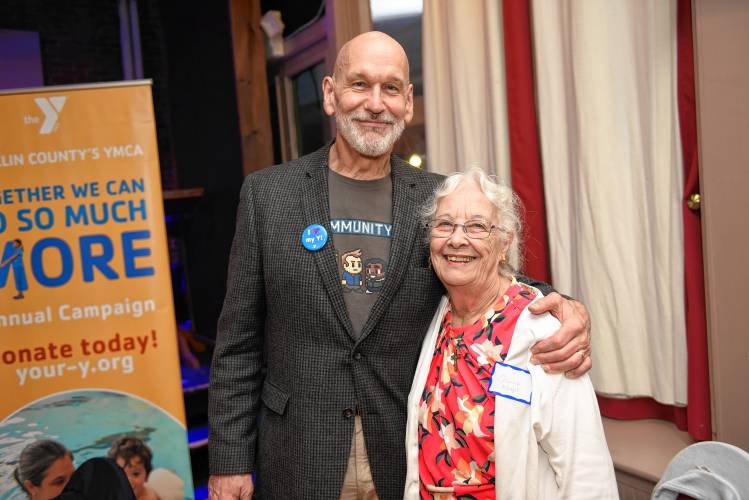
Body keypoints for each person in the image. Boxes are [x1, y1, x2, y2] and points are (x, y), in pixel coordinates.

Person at [208, 31, 592, 500]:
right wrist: (229, 461)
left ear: (408, 102)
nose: (375, 103)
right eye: (359, 85)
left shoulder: (434, 198)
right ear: (330, 94)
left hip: (405, 452)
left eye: (390, 88)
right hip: (297, 453)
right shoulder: (270, 196)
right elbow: (238, 345)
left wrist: (564, 303)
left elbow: (482, 267)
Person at [403, 169, 617, 499]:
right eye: (444, 224)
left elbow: (585, 470)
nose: (456, 239)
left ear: (505, 242)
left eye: (476, 226)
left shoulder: (542, 330)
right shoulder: (436, 317)